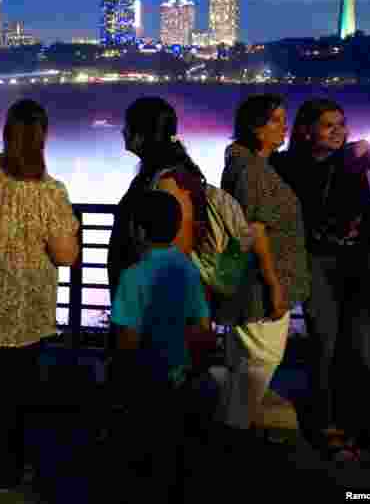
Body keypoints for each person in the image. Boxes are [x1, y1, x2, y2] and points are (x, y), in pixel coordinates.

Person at [0, 99, 80, 493]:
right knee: (19, 395)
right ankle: (8, 469)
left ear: (6, 133)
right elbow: (65, 256)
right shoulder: (50, 193)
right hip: (26, 312)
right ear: (43, 139)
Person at [273, 98, 370, 462]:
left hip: (363, 259)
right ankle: (328, 425)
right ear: (305, 130)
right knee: (325, 346)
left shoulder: (355, 155)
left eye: (342, 124)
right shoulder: (286, 164)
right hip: (317, 262)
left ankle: (357, 424)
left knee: (363, 348)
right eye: (328, 125)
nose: (338, 131)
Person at [217, 94, 310, 440]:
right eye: (274, 120)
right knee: (259, 360)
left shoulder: (251, 165)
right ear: (254, 127)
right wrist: (275, 285)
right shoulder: (251, 171)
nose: (283, 126)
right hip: (258, 283)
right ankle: (231, 436)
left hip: (252, 279)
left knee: (247, 361)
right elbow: (254, 229)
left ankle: (229, 431)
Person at [110, 190, 211, 498]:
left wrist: (118, 373)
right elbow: (201, 328)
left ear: (138, 231)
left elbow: (127, 338)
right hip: (180, 374)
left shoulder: (132, 276)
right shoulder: (188, 270)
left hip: (144, 378)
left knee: (142, 450)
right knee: (174, 449)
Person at [107, 97, 215, 371]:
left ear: (142, 134)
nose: (123, 132)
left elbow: (176, 248)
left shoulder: (168, 181)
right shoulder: (161, 174)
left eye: (128, 127)